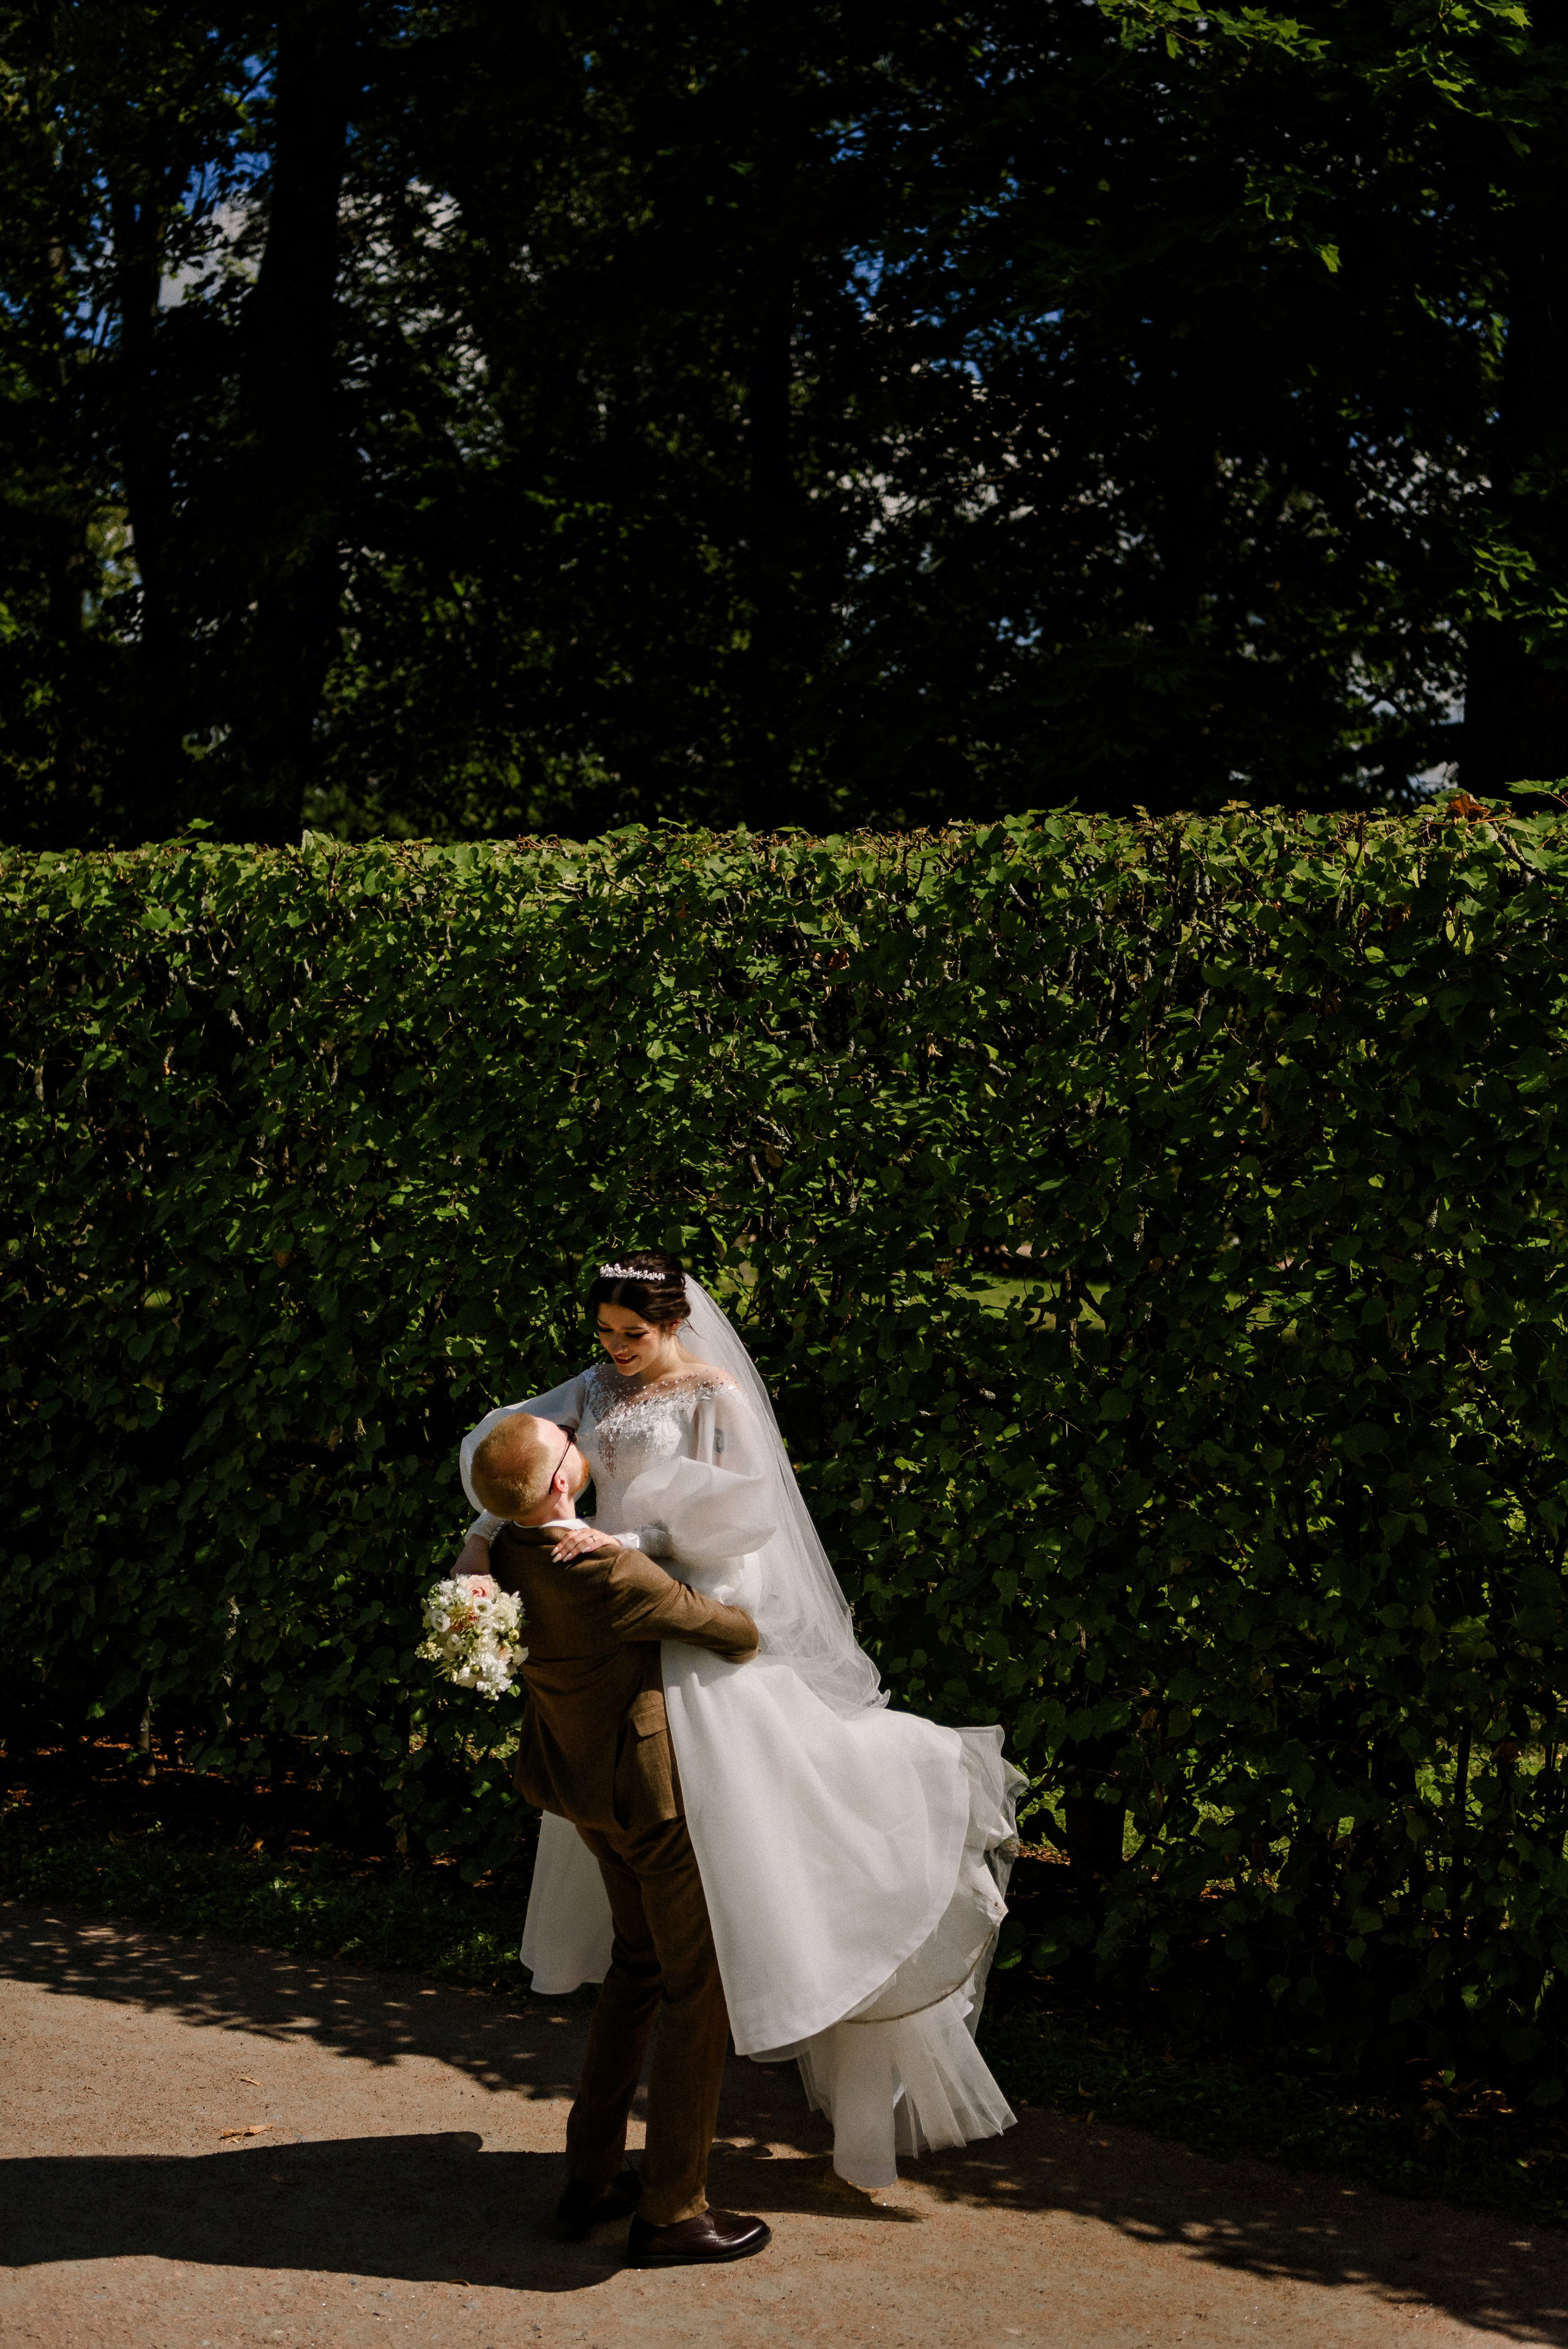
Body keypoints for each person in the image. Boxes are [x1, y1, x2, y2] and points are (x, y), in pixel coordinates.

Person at [458, 1251, 1023, 2196]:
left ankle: (611, 2174)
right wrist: (484, 1534)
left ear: (676, 1322)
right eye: (602, 1334)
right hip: (620, 1635)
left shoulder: (717, 1401)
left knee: (750, 1879)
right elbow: (509, 1451)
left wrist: (620, 1544)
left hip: (672, 1606)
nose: (614, 1353)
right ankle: (660, 2198)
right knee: (669, 1955)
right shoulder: (594, 1388)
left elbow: (741, 1546)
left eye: (632, 1336)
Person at [469, 1407, 772, 2268]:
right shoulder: (612, 1573)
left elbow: (503, 1505)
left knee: (637, 1968)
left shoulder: (501, 1559)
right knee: (695, 1987)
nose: (578, 1432)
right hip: (650, 1803)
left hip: (580, 1792)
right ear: (565, 1480)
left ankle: (592, 2177)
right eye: (568, 1441)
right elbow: (739, 1635)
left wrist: (482, 1529)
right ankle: (673, 2209)